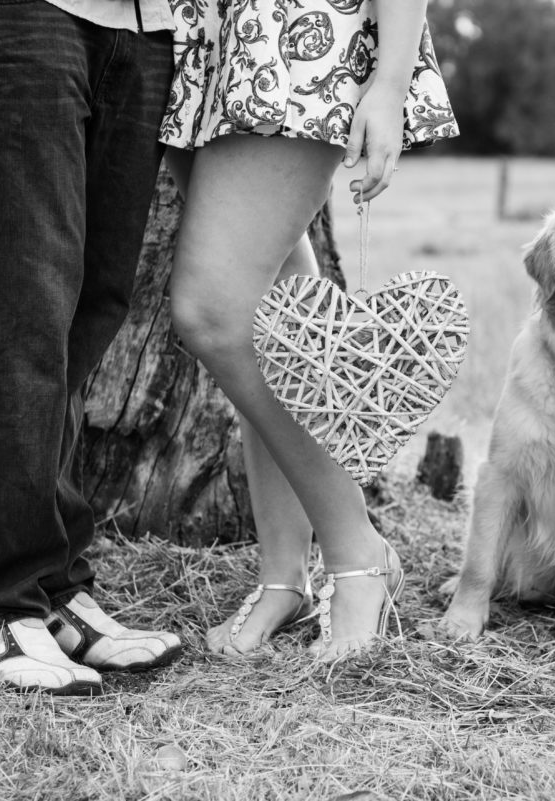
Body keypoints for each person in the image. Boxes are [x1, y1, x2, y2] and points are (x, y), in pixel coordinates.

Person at [160, 0, 457, 661]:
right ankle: (282, 573)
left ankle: (359, 551)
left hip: (296, 28)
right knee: (270, 314)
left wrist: (388, 82)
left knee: (215, 311)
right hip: (190, 28)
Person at [0, 0, 184, 695]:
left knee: (89, 311)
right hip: (21, 14)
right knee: (19, 306)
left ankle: (51, 585)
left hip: (146, 23)